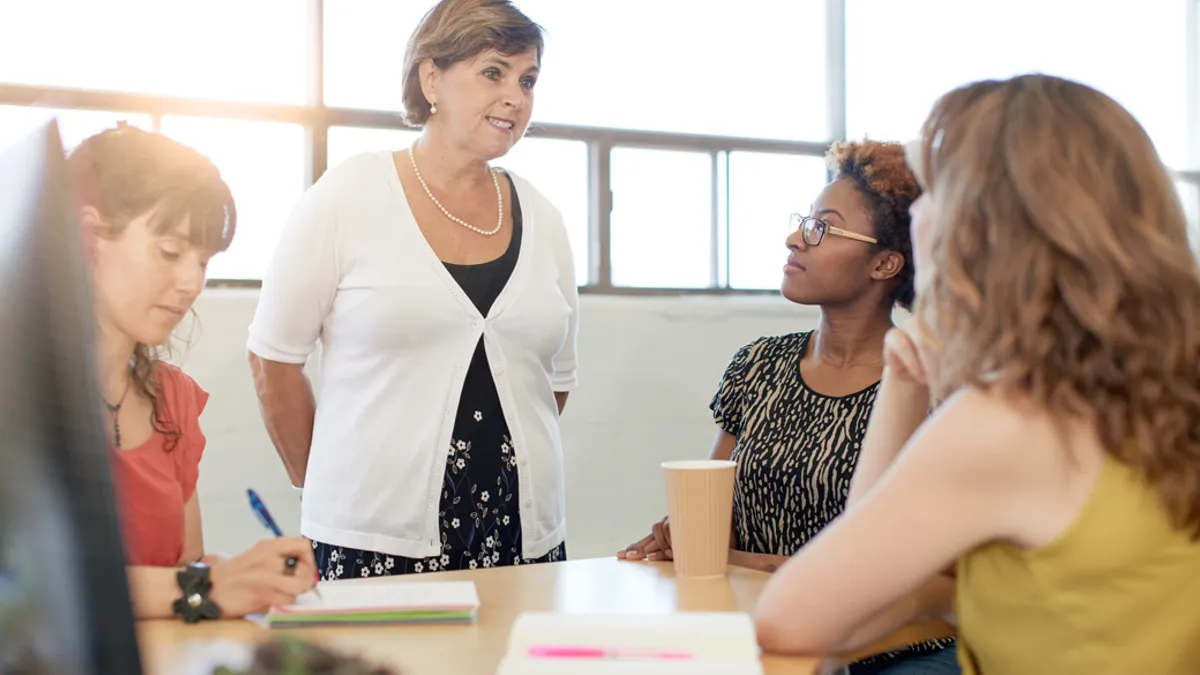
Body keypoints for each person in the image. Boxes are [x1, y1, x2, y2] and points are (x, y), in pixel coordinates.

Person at [753, 74, 1200, 674]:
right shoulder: (1168, 387)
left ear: (975, 228)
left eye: (933, 192)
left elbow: (799, 616)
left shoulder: (1010, 420)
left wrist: (903, 385)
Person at [247, 0, 578, 580]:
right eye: (493, 73)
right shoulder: (349, 194)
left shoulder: (544, 217)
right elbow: (273, 361)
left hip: (523, 538)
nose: (516, 98)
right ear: (432, 78)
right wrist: (321, 487)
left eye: (528, 80)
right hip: (369, 540)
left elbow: (554, 384)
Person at [621, 140, 957, 673]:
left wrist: (739, 560)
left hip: (894, 653)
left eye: (822, 227)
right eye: (805, 221)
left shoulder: (926, 389)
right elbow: (715, 512)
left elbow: (934, 578)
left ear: (886, 263)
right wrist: (683, 534)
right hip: (765, 630)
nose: (795, 238)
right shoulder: (759, 365)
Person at [70, 123, 316, 620]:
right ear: (90, 237)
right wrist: (206, 585)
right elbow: (31, 585)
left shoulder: (173, 401)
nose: (190, 283)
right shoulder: (20, 393)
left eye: (202, 261)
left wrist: (249, 573)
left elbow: (184, 565)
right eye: (169, 251)